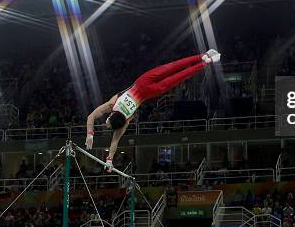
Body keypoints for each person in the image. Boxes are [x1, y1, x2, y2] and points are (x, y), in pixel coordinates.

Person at [86, 49, 221, 171]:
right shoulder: (112, 104)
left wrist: (110, 159)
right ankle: (204, 56)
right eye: (108, 122)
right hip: (143, 81)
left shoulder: (126, 121)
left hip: (150, 93)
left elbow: (114, 142)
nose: (106, 123)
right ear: (110, 116)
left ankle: (207, 62)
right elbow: (91, 116)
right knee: (172, 67)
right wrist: (90, 133)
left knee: (178, 78)